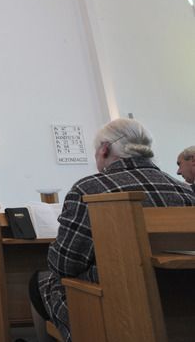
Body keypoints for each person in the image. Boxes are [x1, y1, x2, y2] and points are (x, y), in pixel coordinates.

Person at [30, 118, 195, 342]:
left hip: (118, 307)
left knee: (40, 281)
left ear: (105, 149)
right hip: (183, 301)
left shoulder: (90, 189)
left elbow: (65, 264)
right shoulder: (187, 192)